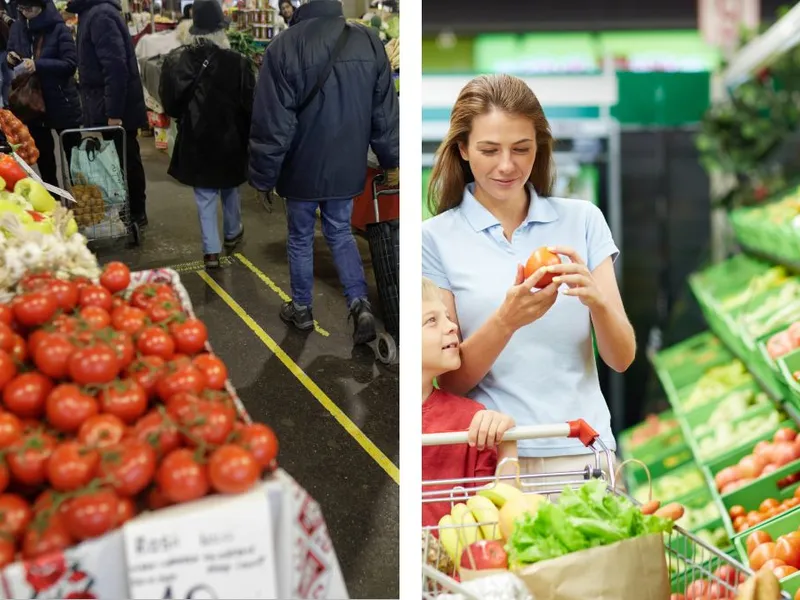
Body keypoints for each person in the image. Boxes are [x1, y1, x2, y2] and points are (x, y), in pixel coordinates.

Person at [422, 74, 636, 478]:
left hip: (586, 452)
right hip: (499, 461)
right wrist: (508, 319)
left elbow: (621, 358)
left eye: (522, 149)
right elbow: (450, 383)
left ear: (539, 148)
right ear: (463, 149)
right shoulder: (433, 239)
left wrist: (597, 301)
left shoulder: (583, 221)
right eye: (489, 150)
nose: (507, 165)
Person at [249, 0, 399, 346]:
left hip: (300, 166)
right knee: (340, 233)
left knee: (301, 237)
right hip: (347, 162)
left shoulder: (283, 46)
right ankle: (359, 304)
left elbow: (273, 122)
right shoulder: (368, 41)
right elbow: (385, 112)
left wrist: (263, 176)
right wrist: (392, 160)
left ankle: (302, 308)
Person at [159, 0, 254, 269]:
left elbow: (171, 104)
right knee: (230, 187)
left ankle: (211, 251)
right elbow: (250, 104)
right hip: (231, 138)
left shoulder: (177, 59)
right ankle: (233, 233)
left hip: (196, 137)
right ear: (220, 30)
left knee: (205, 195)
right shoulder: (238, 62)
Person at [422, 277, 516, 528]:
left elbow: (498, 518)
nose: (452, 326)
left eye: (447, 317)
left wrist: (507, 443)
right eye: (431, 320)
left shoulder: (472, 419)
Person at [66, 0, 149, 228]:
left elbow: (115, 67)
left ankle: (136, 214)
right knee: (121, 159)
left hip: (115, 106)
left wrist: (113, 112)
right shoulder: (92, 13)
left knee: (126, 159)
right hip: (105, 102)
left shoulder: (100, 16)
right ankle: (130, 212)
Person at [6, 0, 81, 187]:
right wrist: (10, 59)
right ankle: (53, 204)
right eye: (21, 8)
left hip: (61, 101)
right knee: (45, 160)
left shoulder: (58, 29)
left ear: (42, 6)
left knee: (75, 159)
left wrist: (38, 65)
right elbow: (10, 50)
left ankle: (82, 202)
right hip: (31, 105)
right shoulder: (17, 28)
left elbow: (70, 64)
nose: (24, 12)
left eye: (28, 8)